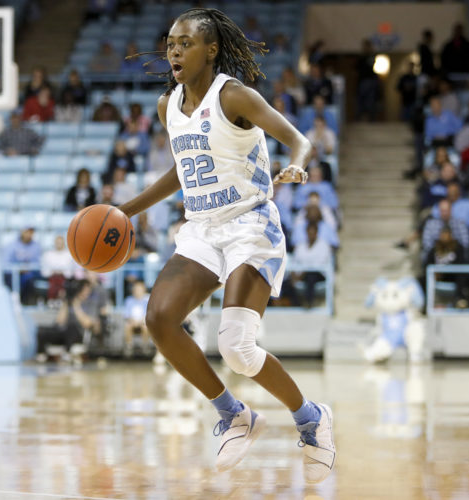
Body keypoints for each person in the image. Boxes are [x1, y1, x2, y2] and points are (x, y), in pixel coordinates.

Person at [115, 8, 335, 481]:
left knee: (236, 346)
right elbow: (184, 167)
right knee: (159, 319)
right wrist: (125, 210)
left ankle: (311, 418)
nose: (174, 50)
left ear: (210, 50)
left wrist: (296, 165)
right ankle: (233, 413)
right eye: (170, 42)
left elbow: (299, 141)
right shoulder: (166, 106)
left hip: (250, 224)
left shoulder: (233, 95)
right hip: (202, 228)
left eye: (186, 43)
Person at [2, 227, 43, 304]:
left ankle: (26, 303)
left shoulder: (36, 246)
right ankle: (14, 302)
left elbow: (37, 264)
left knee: (30, 278)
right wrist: (19, 269)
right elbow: (5, 264)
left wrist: (28, 268)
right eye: (27, 232)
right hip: (13, 274)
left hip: (30, 274)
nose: (29, 235)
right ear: (22, 232)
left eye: (31, 232)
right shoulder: (11, 245)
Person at [123, 280, 151, 357]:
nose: (137, 291)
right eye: (136, 289)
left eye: (139, 289)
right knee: (127, 326)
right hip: (132, 322)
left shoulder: (148, 299)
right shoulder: (129, 300)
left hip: (143, 322)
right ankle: (129, 347)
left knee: (145, 327)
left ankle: (145, 346)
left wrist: (141, 321)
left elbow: (149, 314)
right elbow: (126, 315)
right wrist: (133, 321)